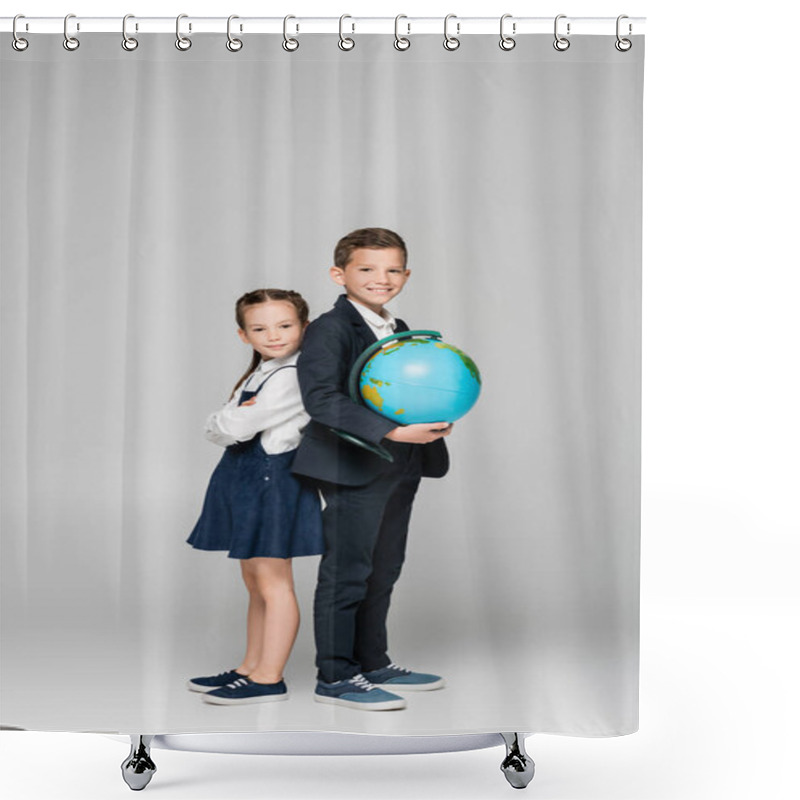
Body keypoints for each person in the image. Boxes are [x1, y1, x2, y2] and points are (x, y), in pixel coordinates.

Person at [292, 228, 452, 711]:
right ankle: (336, 676)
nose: (381, 279)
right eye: (367, 269)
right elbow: (321, 398)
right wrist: (391, 432)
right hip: (352, 464)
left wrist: (426, 417)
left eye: (392, 269)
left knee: (384, 568)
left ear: (406, 274)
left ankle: (372, 661)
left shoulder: (397, 326)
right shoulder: (330, 328)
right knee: (348, 571)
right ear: (339, 274)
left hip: (402, 463)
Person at [185, 289, 324, 705]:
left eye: (285, 326)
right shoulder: (262, 372)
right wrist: (224, 422)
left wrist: (221, 421)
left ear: (304, 327)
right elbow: (229, 423)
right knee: (254, 581)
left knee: (273, 581)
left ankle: (269, 677)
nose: (274, 335)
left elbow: (231, 426)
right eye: (260, 328)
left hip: (272, 479)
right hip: (245, 478)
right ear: (243, 335)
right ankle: (249, 666)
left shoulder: (292, 375)